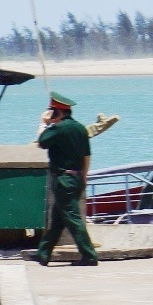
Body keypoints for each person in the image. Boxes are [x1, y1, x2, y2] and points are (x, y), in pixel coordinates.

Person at [35, 91, 99, 267]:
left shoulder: (58, 128)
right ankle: (43, 254)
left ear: (58, 112)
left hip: (63, 180)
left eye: (52, 112)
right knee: (58, 220)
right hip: (76, 178)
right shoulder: (80, 128)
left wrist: (43, 123)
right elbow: (87, 156)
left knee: (73, 219)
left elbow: (40, 142)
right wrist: (84, 177)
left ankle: (89, 255)